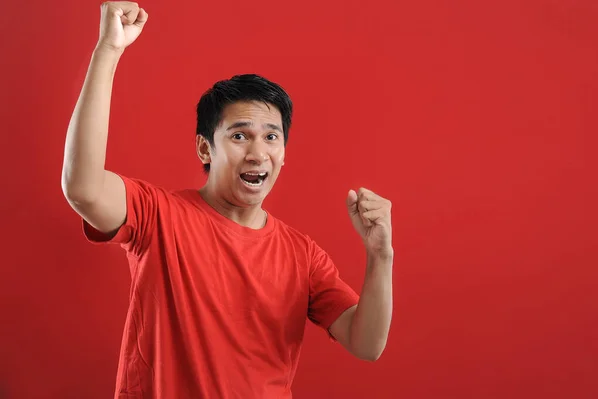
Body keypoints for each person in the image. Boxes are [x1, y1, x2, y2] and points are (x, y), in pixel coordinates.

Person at [61, 2, 394, 398]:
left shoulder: (302, 255)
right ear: (205, 148)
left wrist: (380, 257)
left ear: (284, 153)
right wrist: (108, 51)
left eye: (271, 137)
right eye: (239, 136)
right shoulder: (157, 215)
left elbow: (367, 343)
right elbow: (83, 188)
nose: (257, 152)